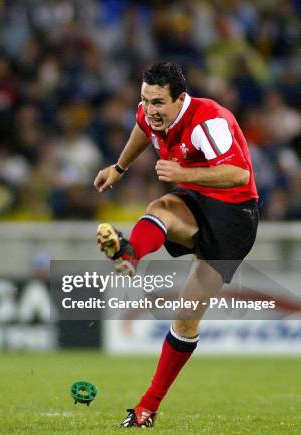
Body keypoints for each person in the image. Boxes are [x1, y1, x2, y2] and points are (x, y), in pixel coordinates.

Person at [93, 62, 258, 427]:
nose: (151, 110)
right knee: (160, 208)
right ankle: (129, 255)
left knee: (185, 320)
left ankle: (148, 405)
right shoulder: (148, 112)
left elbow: (240, 174)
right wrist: (118, 168)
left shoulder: (208, 120)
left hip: (233, 217)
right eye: (146, 100)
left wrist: (183, 173)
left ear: (180, 99)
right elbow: (140, 129)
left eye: (159, 103)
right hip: (195, 200)